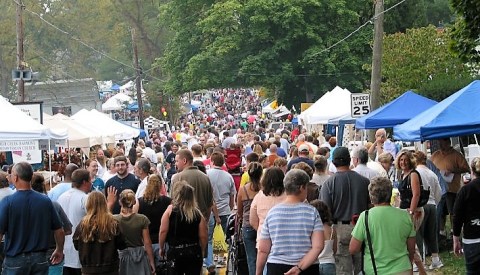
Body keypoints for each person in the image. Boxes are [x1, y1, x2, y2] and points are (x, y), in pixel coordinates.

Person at [0, 162, 65, 275]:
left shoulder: (7, 202)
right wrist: (59, 249)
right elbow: (59, 230)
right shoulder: (45, 201)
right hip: (39, 258)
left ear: (15, 177)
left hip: (15, 258)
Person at [256, 169, 324, 275]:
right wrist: (298, 268)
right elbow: (318, 246)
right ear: (302, 187)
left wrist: (258, 272)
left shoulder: (272, 213)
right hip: (307, 267)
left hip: (276, 267)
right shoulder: (312, 212)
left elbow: (263, 249)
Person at [349, 176, 415, 275]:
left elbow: (353, 249)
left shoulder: (365, 217)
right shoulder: (405, 216)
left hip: (375, 270)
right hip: (403, 269)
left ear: (371, 197)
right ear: (390, 194)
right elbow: (411, 249)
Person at [319, 147, 370, 274]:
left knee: (342, 268)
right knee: (361, 268)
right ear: (350, 160)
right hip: (360, 226)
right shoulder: (364, 182)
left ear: (334, 162)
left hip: (339, 228)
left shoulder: (329, 183)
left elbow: (325, 211)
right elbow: (370, 206)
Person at [159, 181, 208, 275]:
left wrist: (161, 247)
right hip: (193, 250)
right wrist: (202, 249)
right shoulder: (197, 213)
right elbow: (203, 235)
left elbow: (163, 231)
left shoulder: (170, 210)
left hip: (175, 251)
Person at [73, 191, 126, 274]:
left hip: (88, 269)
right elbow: (122, 244)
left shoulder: (83, 225)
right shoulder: (113, 223)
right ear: (104, 203)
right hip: (110, 268)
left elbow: (76, 245)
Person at [31, 173, 73, 275]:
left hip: (32, 254)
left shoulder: (23, 206)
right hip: (53, 253)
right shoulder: (54, 205)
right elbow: (67, 229)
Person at [396, 150, 427, 274]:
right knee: (409, 241)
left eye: (405, 160)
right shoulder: (402, 174)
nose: (403, 162)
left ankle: (417, 269)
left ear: (410, 161)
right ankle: (420, 270)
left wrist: (411, 211)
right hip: (404, 210)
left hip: (414, 211)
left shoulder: (413, 174)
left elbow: (416, 194)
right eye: (401, 160)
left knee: (409, 241)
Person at [58, 169, 92, 275]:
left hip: (64, 250)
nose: (92, 183)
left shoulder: (61, 197)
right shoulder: (85, 198)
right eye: (90, 180)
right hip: (80, 250)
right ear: (84, 182)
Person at [430, 138, 469, 231]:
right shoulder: (435, 155)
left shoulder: (456, 155)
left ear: (448, 143)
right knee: (441, 212)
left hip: (452, 189)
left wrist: (453, 170)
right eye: (439, 143)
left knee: (453, 211)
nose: (440, 145)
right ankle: (441, 231)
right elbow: (429, 167)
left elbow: (466, 168)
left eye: (442, 143)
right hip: (438, 189)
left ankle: (454, 231)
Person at [413, 150, 443, 269]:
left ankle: (419, 262)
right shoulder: (432, 173)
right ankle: (435, 259)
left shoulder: (415, 173)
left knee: (418, 234)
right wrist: (434, 202)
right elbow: (439, 192)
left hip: (421, 205)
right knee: (431, 234)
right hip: (432, 204)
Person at [134, 174, 172, 269]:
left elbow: (135, 222)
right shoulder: (168, 201)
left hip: (146, 243)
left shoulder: (139, 202)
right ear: (160, 185)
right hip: (163, 242)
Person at [114, 189, 155, 275]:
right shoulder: (142, 219)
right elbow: (147, 243)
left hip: (122, 258)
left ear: (120, 202)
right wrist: (151, 262)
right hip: (140, 258)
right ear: (134, 202)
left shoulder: (114, 220)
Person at [452, 157, 480, 274]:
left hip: (472, 239)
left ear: (471, 171)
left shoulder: (465, 190)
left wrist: (456, 239)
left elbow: (457, 216)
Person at [172, 149, 214, 221]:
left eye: (177, 161)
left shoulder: (177, 178)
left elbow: (173, 203)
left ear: (184, 161)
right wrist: (205, 221)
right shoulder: (205, 178)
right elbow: (210, 204)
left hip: (183, 222)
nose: (175, 164)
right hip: (202, 221)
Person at [237, 162, 263, 275]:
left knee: (251, 258)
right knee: (264, 255)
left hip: (247, 225)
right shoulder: (264, 189)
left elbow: (239, 211)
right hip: (262, 225)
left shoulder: (243, 190)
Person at [310, 200, 336, 275]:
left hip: (315, 263)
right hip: (329, 263)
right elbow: (334, 249)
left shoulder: (313, 229)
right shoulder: (332, 229)